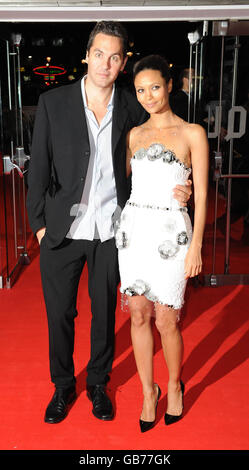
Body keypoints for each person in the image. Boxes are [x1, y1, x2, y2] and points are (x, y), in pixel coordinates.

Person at [26, 22, 192, 425]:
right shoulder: (53, 102)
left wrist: (182, 183)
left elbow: (166, 141)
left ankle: (99, 384)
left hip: (112, 233)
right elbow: (38, 169)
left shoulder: (133, 106)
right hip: (62, 232)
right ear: (87, 55)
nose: (106, 63)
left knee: (104, 313)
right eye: (99, 54)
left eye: (115, 56)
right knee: (60, 314)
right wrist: (39, 225)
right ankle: (63, 385)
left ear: (122, 63)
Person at [116, 55, 208, 432]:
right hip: (135, 231)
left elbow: (201, 193)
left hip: (173, 234)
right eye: (140, 90)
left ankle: (173, 384)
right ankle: (147, 391)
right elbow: (117, 186)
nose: (148, 96)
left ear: (170, 85)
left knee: (168, 319)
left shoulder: (192, 133)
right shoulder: (134, 135)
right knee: (138, 314)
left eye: (155, 87)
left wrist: (197, 245)